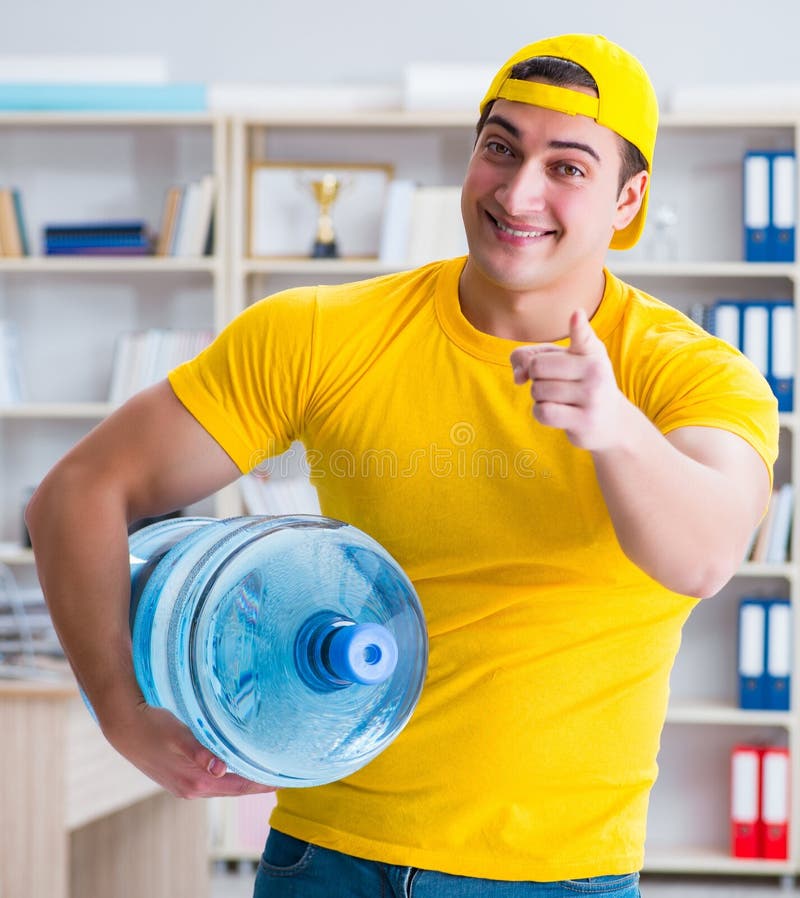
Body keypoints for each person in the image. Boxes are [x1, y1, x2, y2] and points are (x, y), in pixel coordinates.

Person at [26, 33, 778, 898]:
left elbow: (704, 555)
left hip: (555, 878)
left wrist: (617, 431)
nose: (519, 190)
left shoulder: (691, 377)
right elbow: (78, 494)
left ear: (627, 201)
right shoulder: (318, 335)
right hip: (323, 859)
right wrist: (124, 717)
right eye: (501, 148)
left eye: (568, 167)